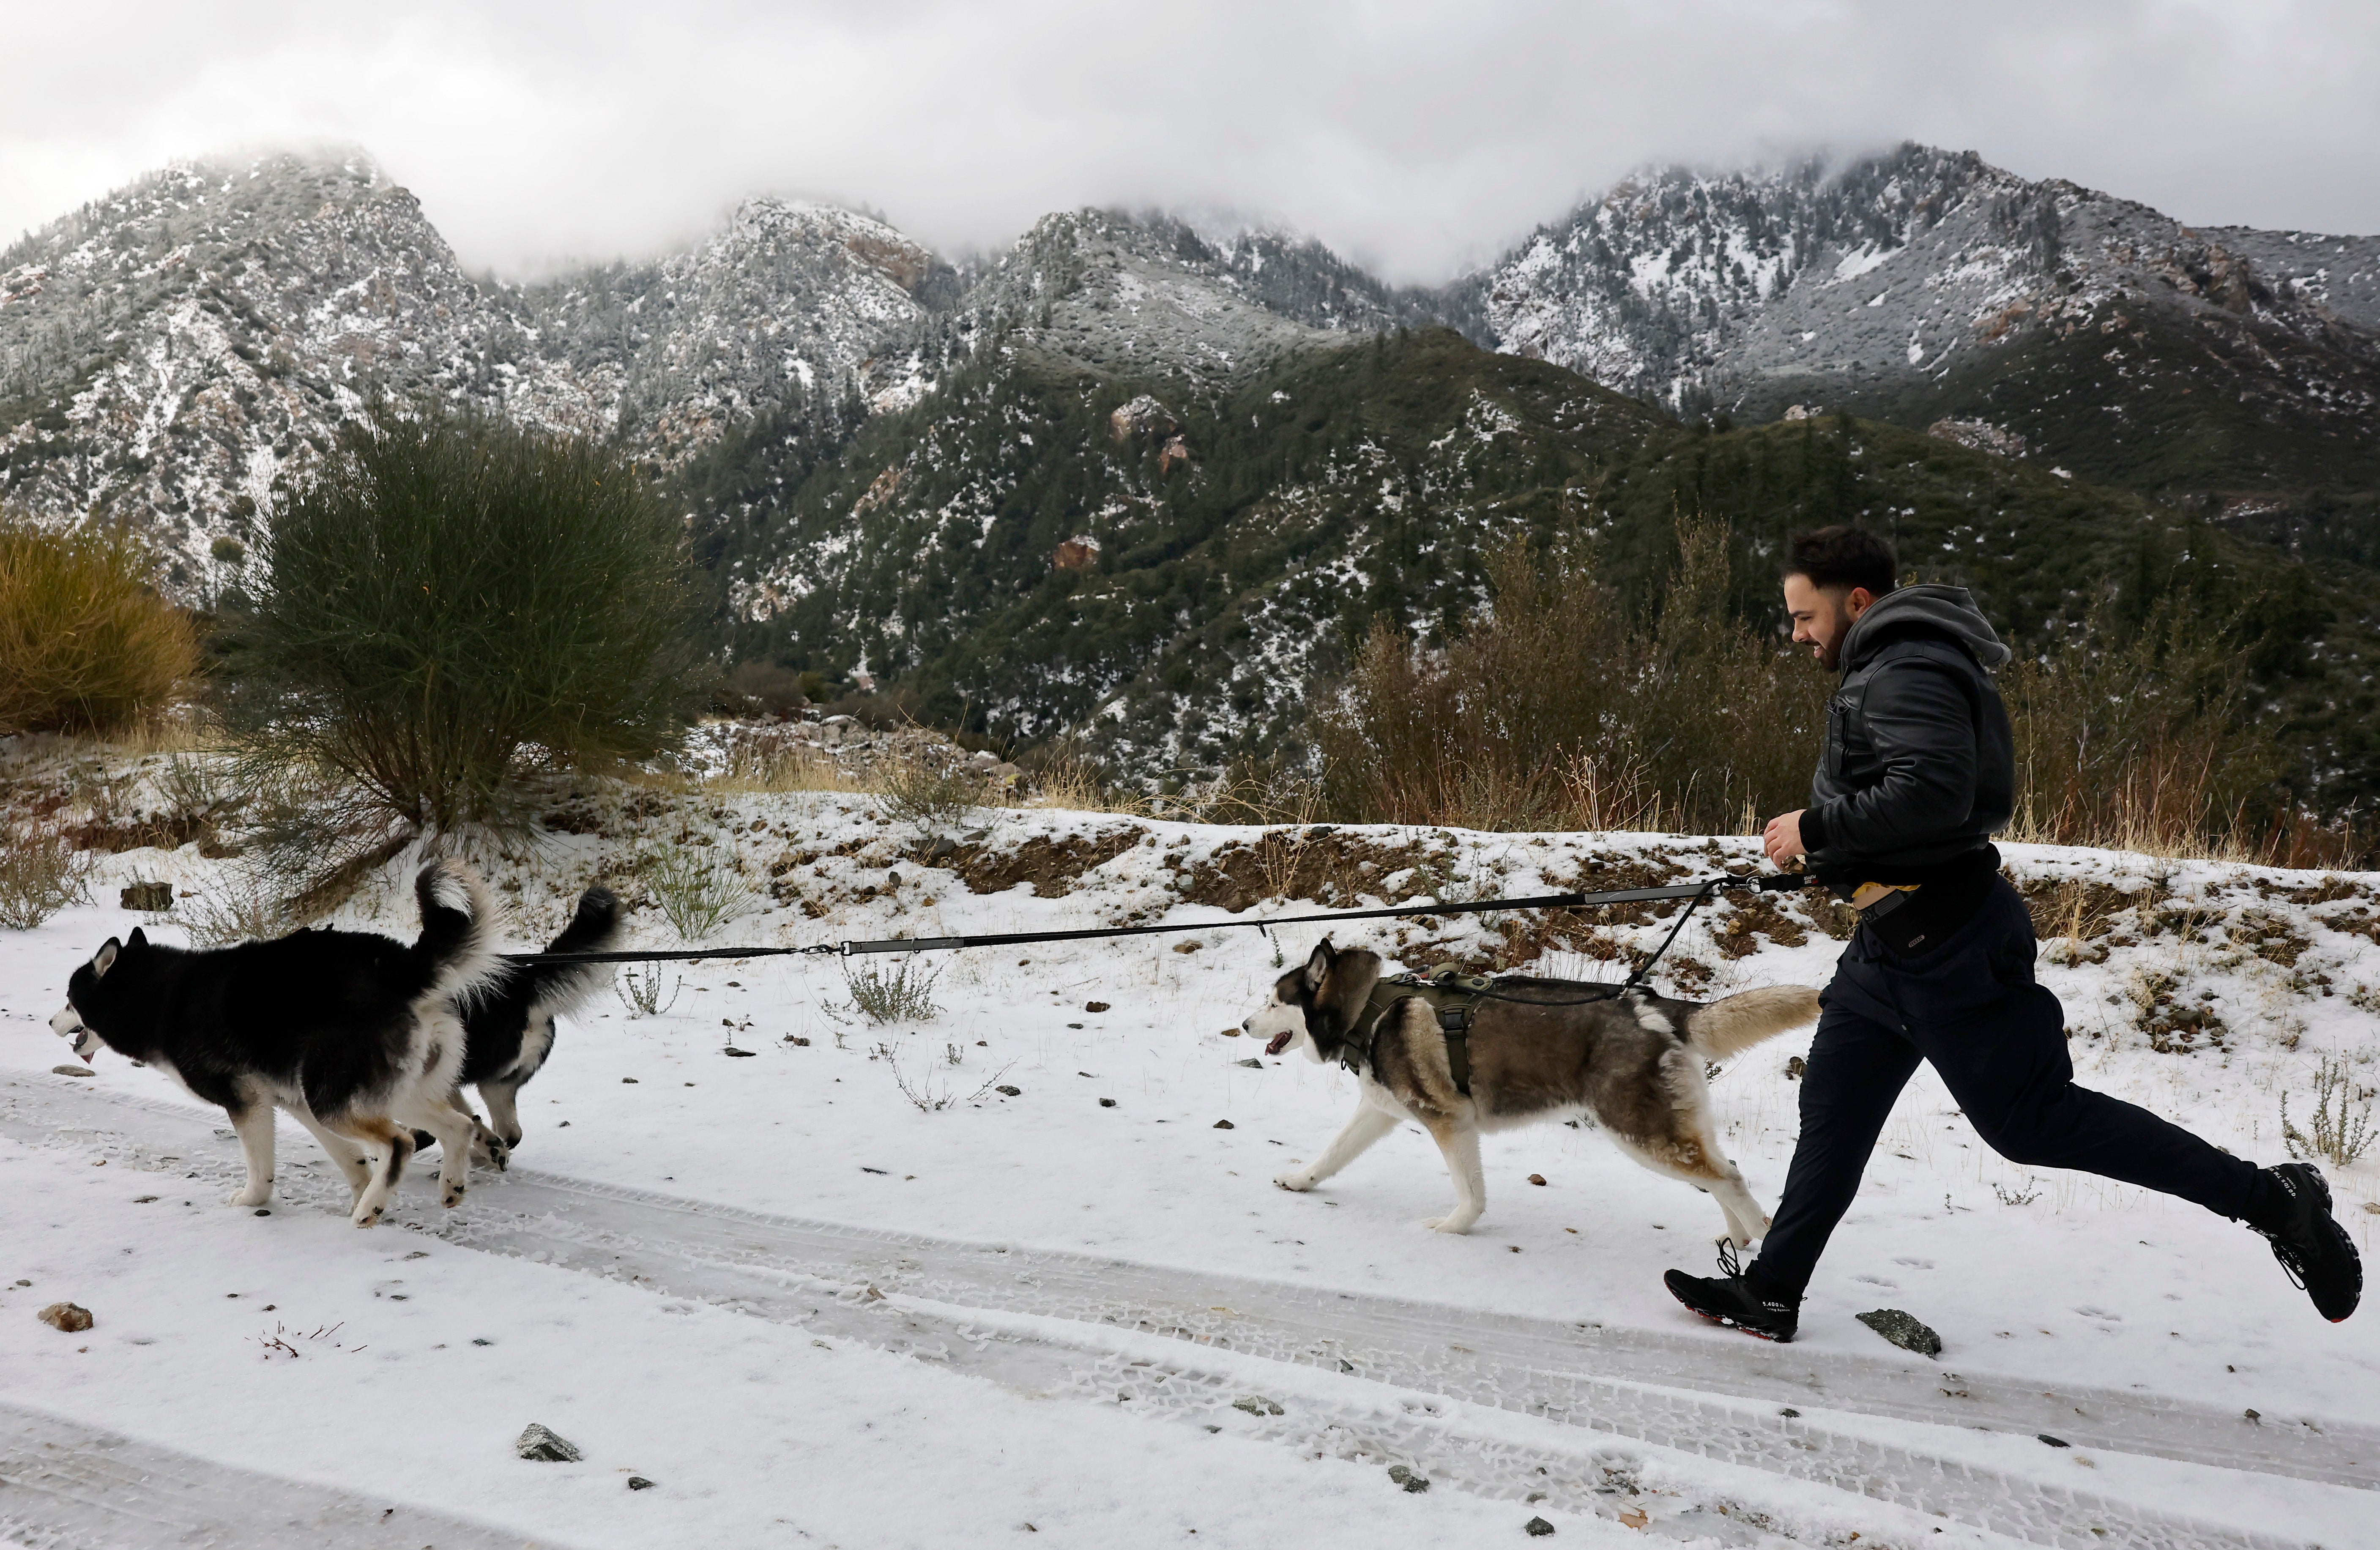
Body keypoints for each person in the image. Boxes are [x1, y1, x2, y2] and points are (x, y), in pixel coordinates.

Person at [1663, 525, 2361, 1341]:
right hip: (1889, 945)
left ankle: (2275, 1201)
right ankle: (1773, 1289)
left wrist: (1816, 826)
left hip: (1948, 945)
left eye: (1805, 615)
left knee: (2032, 1123)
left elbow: (1934, 792)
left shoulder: (1906, 666)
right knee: (1834, 1109)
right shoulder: (1894, 662)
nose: (1797, 634)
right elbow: (1935, 805)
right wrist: (1837, 852)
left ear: (1855, 601)